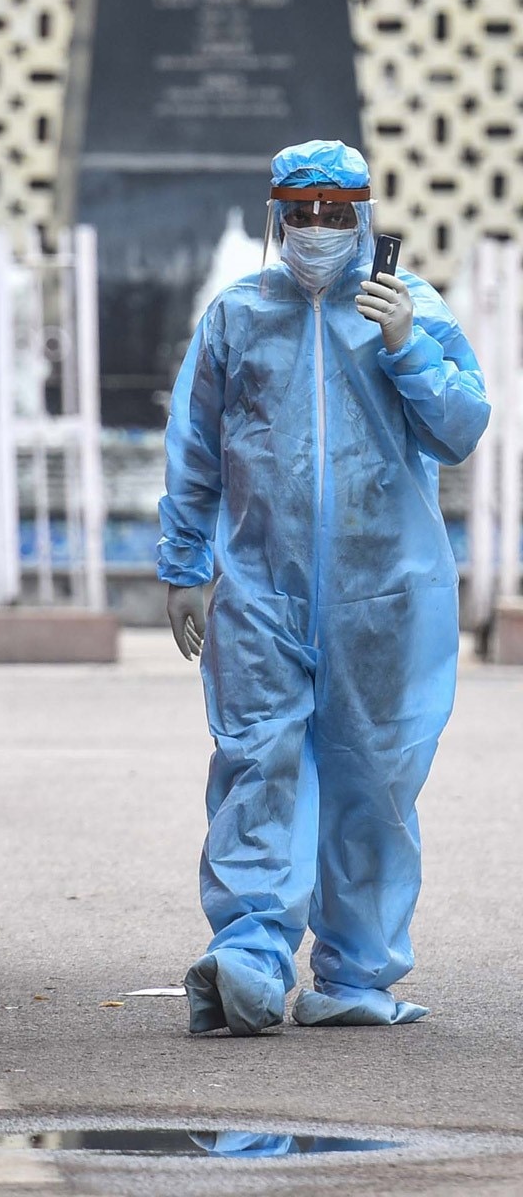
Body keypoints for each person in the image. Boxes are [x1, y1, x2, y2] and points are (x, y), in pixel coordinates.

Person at [157, 139, 489, 1036]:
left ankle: (354, 973)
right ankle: (251, 956)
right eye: (298, 214)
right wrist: (186, 563)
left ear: (364, 218)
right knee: (256, 763)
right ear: (275, 216)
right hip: (261, 590)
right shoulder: (236, 316)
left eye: (333, 214)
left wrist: (406, 347)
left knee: (374, 779)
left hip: (384, 594)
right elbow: (194, 449)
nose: (314, 231)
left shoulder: (410, 307)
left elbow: (461, 428)